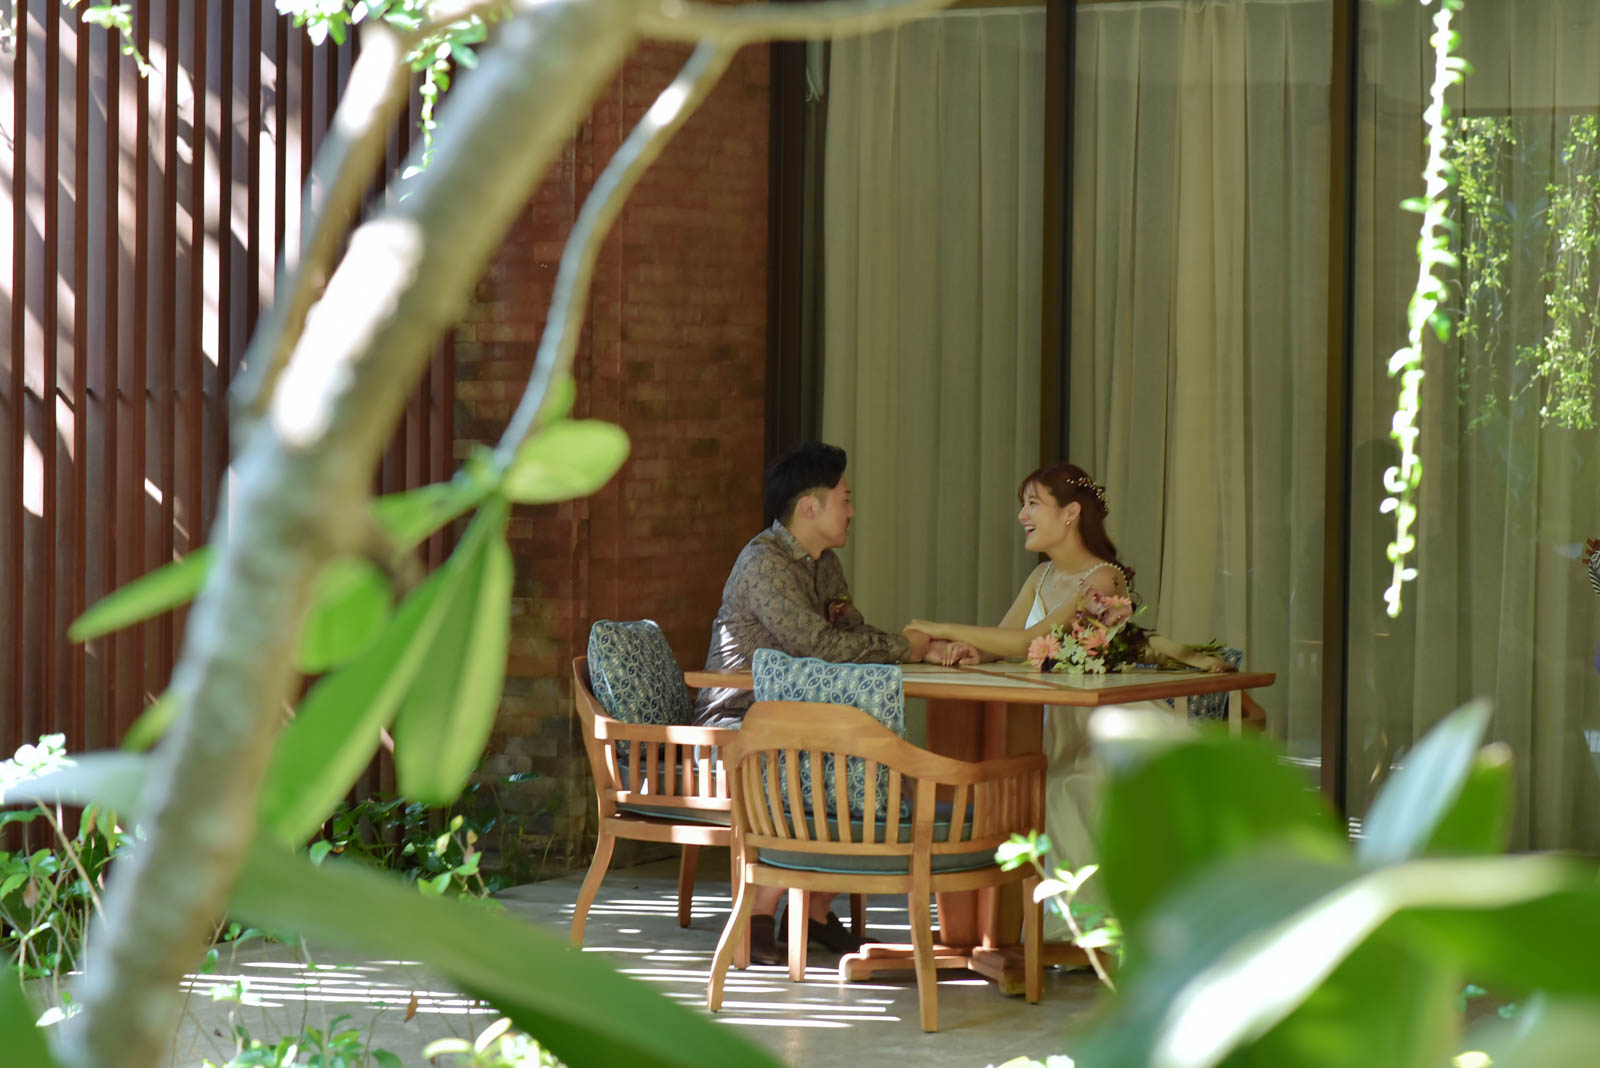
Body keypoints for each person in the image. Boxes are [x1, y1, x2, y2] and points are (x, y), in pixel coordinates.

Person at [905, 463, 1232, 933]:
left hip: (1095, 723)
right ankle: (996, 930)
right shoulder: (1040, 576)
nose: (1022, 515)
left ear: (1071, 513)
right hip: (1046, 717)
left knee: (1061, 790)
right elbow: (1006, 640)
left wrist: (942, 626)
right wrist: (967, 650)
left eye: (1032, 504)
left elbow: (1028, 641)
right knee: (1003, 784)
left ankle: (1077, 931)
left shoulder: (1103, 579)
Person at [694, 441, 958, 964]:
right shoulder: (763, 563)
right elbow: (817, 646)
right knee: (842, 761)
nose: (852, 511)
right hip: (741, 720)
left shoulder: (825, 564)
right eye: (846, 498)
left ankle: (812, 911)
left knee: (876, 763)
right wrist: (906, 648)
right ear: (810, 507)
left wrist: (925, 649)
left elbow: (850, 634)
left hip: (802, 718)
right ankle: (758, 914)